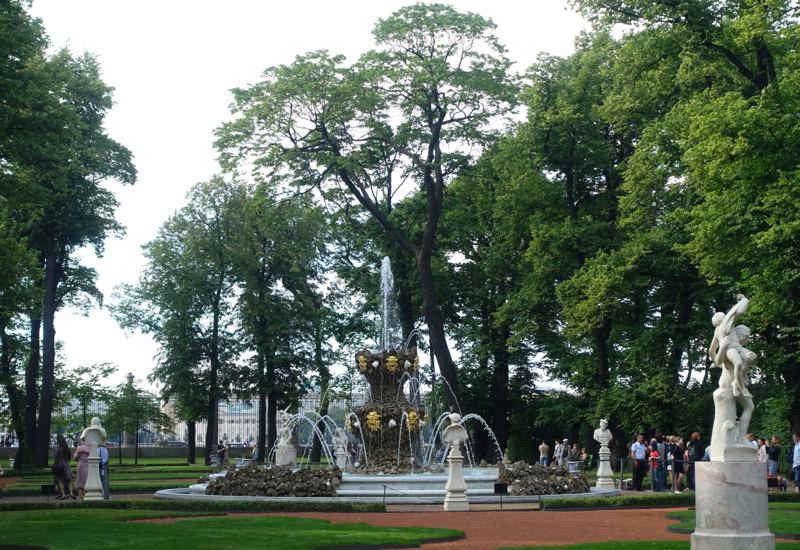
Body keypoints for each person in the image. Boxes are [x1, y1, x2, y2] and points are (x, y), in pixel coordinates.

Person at [53, 434, 75, 500]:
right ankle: (71, 493)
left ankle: (63, 495)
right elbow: (69, 458)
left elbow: (55, 458)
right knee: (69, 480)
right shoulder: (68, 449)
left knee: (60, 480)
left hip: (60, 466)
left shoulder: (58, 449)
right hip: (67, 466)